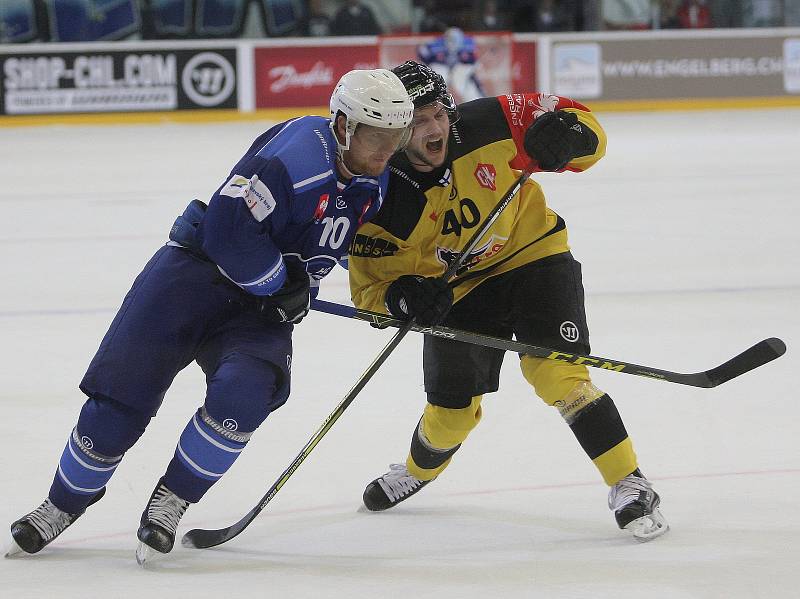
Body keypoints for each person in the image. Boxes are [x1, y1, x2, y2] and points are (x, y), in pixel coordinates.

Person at [7, 68, 414, 563]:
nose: (388, 149)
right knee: (118, 404)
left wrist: (395, 290)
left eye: (397, 137)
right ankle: (62, 503)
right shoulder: (297, 156)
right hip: (193, 279)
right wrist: (280, 283)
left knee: (246, 395)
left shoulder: (376, 180)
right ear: (345, 125)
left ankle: (172, 498)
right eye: (378, 136)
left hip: (259, 310)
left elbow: (346, 242)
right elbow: (227, 232)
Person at [347, 61, 669, 541]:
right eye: (417, 123)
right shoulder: (378, 193)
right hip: (456, 287)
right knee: (451, 414)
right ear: (393, 131)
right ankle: (418, 470)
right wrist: (402, 298)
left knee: (558, 373)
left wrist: (572, 138)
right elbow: (369, 291)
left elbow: (584, 126)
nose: (434, 130)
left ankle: (629, 481)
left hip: (534, 254)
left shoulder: (490, 123)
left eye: (439, 114)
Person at [418, 27, 485, 103]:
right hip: (442, 67)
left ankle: (475, 101)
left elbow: (472, 61)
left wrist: (472, 67)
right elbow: (422, 54)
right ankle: (433, 101)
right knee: (439, 75)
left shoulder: (468, 45)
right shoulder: (435, 45)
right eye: (450, 40)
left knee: (461, 79)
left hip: (459, 68)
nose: (452, 44)